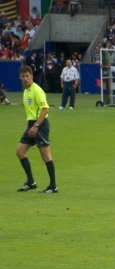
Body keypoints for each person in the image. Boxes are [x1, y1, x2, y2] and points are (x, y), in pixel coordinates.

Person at [16, 66, 58, 194]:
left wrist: (35, 126)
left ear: (31, 76)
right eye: (23, 76)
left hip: (40, 125)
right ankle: (31, 182)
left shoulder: (37, 90)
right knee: (20, 152)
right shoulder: (26, 91)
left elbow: (45, 109)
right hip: (31, 124)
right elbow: (31, 112)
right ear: (20, 77)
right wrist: (28, 126)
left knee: (45, 155)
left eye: (27, 76)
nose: (25, 78)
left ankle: (53, 186)